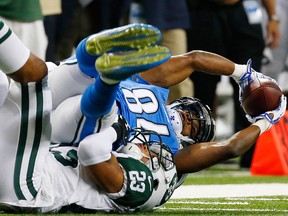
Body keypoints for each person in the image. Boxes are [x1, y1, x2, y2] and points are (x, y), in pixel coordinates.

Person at [49, 23, 286, 184]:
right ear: (179, 102)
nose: (187, 117)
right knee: (69, 77)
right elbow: (194, 59)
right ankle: (99, 64)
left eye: (194, 126)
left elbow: (230, 148)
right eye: (189, 111)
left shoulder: (173, 153)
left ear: (190, 142)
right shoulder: (157, 93)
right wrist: (244, 75)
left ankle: (102, 70)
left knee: (95, 95)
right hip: (90, 111)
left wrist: (264, 118)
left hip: (99, 119)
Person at [0, 20, 178, 213]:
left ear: (158, 181)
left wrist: (116, 131)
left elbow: (91, 149)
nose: (144, 146)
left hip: (29, 188)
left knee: (34, 76)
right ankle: (96, 69)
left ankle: (102, 76)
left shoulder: (143, 189)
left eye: (152, 154)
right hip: (23, 164)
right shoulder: (115, 161)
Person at [186, 0, 280, 168]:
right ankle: (199, 151)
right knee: (203, 87)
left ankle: (251, 154)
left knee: (253, 88)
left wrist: (273, 17)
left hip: (242, 11)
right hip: (203, 11)